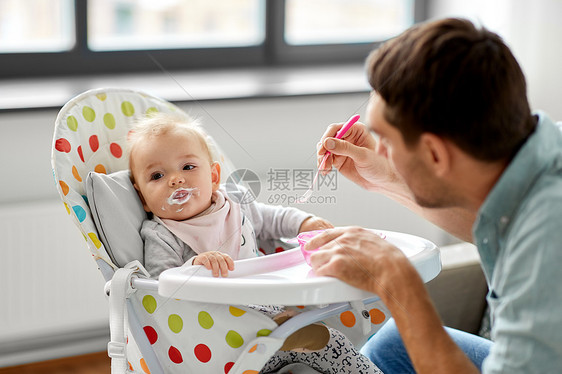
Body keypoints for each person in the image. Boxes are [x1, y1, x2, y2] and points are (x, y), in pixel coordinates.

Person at [308, 17, 562, 373]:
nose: (380, 150)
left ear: (436, 155)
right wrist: (384, 179)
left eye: (388, 142)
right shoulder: (541, 156)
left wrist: (397, 281)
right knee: (391, 344)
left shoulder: (546, 243)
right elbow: (494, 225)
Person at [128, 113, 382, 374]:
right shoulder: (161, 234)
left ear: (214, 176)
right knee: (329, 343)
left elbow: (272, 218)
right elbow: (159, 290)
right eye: (157, 175)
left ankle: (281, 331)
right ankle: (277, 333)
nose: (175, 179)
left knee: (330, 333)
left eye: (188, 167)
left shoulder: (236, 203)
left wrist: (304, 222)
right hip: (222, 336)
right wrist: (193, 266)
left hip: (271, 306)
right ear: (143, 198)